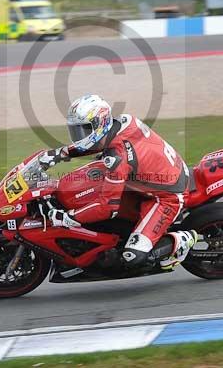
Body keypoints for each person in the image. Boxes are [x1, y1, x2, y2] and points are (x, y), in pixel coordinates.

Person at [39, 94, 198, 270]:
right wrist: (61, 153)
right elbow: (97, 143)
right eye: (76, 130)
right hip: (159, 173)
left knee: (133, 257)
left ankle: (182, 240)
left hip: (167, 196)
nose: (79, 136)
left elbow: (107, 208)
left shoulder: (118, 158)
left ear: (100, 123)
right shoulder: (123, 121)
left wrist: (68, 217)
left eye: (84, 130)